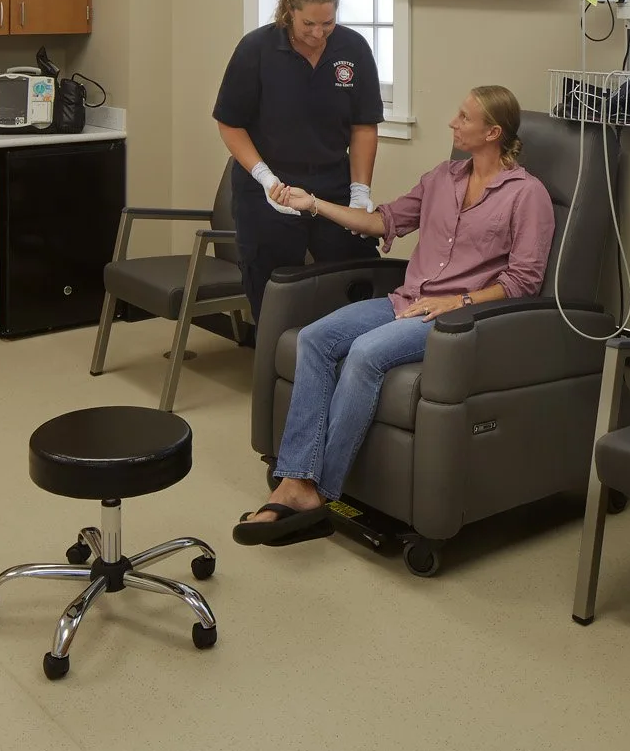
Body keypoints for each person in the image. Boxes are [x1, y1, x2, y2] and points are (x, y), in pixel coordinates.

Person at [232, 87, 556, 546]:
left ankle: (318, 491)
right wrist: (313, 204)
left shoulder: (527, 195)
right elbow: (385, 221)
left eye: (464, 117)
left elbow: (524, 281)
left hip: (455, 321)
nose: (453, 123)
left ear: (493, 132)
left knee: (365, 353)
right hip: (407, 300)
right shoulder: (442, 177)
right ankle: (297, 479)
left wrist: (457, 303)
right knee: (314, 338)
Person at [212, 0, 384, 328]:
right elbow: (230, 124)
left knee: (356, 278)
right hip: (270, 186)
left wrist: (360, 190)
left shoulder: (353, 50)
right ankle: (272, 360)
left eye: (328, 23)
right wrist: (264, 176)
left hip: (332, 184)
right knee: (273, 291)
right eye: (309, 24)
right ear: (289, 9)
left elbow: (363, 126)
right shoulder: (256, 49)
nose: (319, 33)